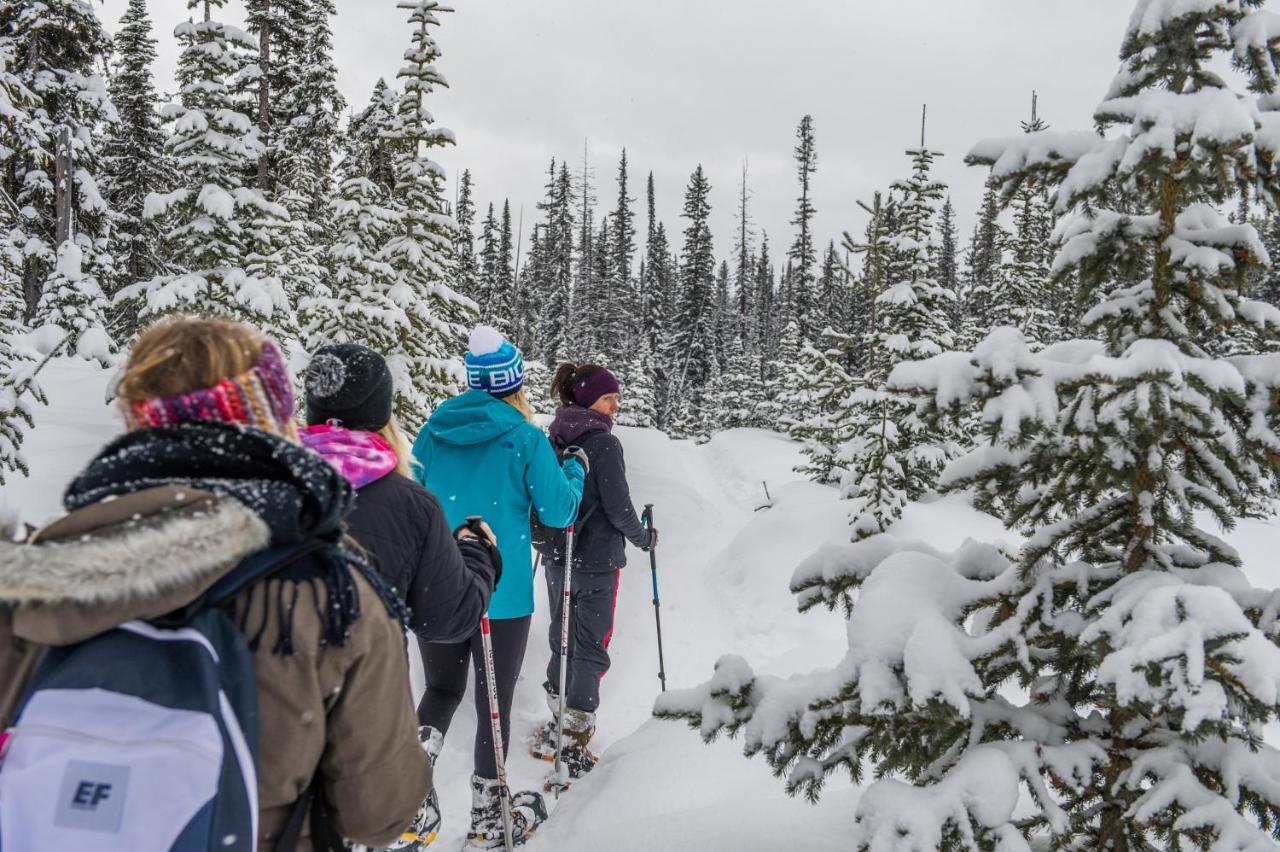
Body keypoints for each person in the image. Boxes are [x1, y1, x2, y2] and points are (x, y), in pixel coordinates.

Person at [0, 318, 431, 852]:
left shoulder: (30, 583)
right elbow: (380, 813)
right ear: (269, 419)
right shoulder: (332, 591)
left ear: (139, 418)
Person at [300, 342, 502, 850]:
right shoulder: (408, 504)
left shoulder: (257, 486)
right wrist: (479, 557)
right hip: (362, 730)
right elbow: (447, 620)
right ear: (380, 415)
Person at [410, 326, 584, 849]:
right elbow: (558, 511)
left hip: (437, 585)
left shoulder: (433, 430)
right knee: (494, 699)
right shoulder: (525, 437)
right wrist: (574, 470)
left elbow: (414, 497)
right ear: (513, 384)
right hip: (500, 594)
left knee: (440, 690)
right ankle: (489, 813)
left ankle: (411, 797)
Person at [531, 363, 657, 779]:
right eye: (608, 398)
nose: (615, 406)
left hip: (558, 557)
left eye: (617, 398)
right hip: (598, 561)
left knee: (561, 636)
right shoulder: (604, 443)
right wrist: (644, 538)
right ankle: (574, 739)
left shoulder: (555, 436)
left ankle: (557, 721)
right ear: (588, 400)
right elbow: (618, 506)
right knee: (591, 645)